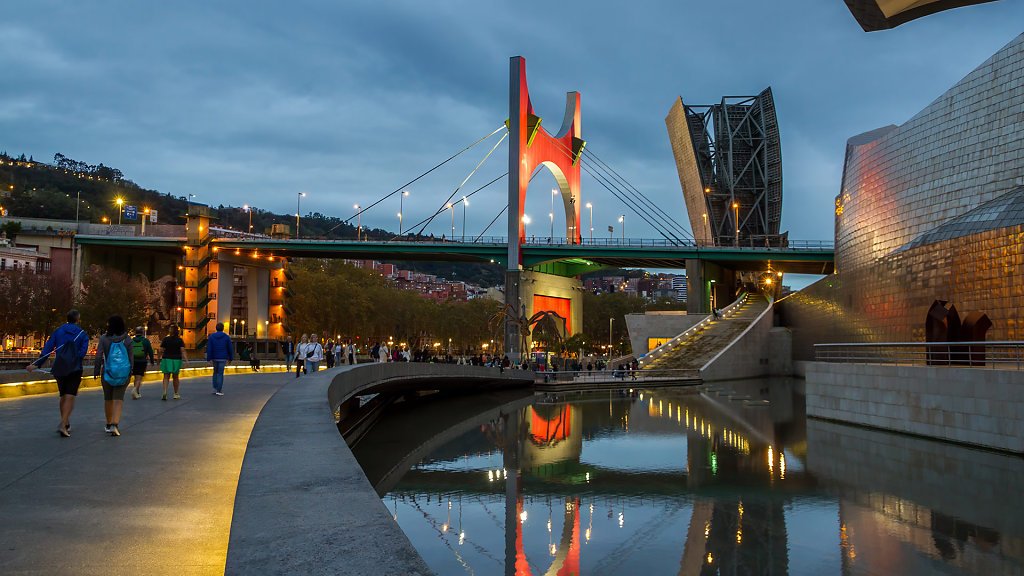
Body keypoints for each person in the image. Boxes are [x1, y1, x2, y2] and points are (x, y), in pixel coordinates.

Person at [26, 309, 90, 437]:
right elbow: (82, 353)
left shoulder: (58, 331)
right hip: (75, 368)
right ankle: (63, 423)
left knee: (63, 396)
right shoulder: (82, 334)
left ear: (67, 318)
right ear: (77, 320)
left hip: (60, 368)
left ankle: (65, 423)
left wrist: (37, 364)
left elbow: (47, 349)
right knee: (70, 396)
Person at [94, 315, 131, 436]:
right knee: (118, 398)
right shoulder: (127, 339)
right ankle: (115, 424)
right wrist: (130, 372)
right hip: (123, 373)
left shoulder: (104, 338)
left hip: (107, 372)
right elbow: (131, 357)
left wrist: (96, 370)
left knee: (108, 398)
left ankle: (109, 424)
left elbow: (98, 355)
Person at [159, 325, 188, 400]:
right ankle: (175, 393)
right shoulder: (179, 340)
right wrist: (186, 360)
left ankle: (165, 392)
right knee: (175, 377)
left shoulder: (165, 339)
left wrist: (158, 358)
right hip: (176, 359)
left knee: (166, 376)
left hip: (166, 359)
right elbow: (182, 351)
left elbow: (161, 350)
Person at [205, 322, 233, 395]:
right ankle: (219, 390)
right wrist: (230, 358)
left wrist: (209, 359)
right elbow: (230, 348)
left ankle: (215, 388)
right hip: (223, 357)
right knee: (220, 373)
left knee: (215, 372)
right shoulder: (227, 337)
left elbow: (209, 348)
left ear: (216, 328)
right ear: (223, 328)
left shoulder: (211, 337)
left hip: (214, 357)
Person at [129, 326, 156, 400]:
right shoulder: (145, 341)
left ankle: (137, 393)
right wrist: (152, 361)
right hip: (142, 361)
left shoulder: (132, 340)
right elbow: (150, 351)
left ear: (135, 332)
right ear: (143, 332)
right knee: (139, 377)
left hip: (134, 361)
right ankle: (135, 390)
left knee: (135, 377)